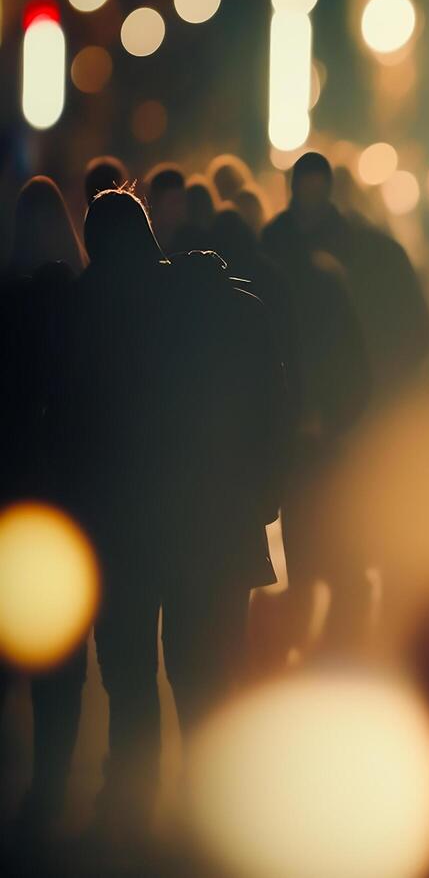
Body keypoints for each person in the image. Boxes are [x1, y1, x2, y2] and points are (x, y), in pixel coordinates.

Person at [55, 187, 288, 834]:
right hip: (209, 523)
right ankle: (206, 796)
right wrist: (263, 492)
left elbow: (70, 423)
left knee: (128, 669)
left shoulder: (86, 311)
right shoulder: (226, 305)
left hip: (118, 523)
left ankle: (129, 796)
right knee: (204, 669)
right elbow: (269, 409)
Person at [255, 154, 373, 665]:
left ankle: (320, 645)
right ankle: (320, 645)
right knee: (312, 541)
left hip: (324, 429)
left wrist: (337, 416)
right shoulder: (299, 256)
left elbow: (356, 358)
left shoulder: (292, 254)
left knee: (328, 540)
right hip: (311, 427)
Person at [1, 178, 86, 833]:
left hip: (14, 490)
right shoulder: (81, 301)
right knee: (61, 651)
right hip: (68, 495)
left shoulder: (10, 299)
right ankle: (52, 781)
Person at [264, 151, 429, 400]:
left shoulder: (276, 242)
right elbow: (419, 331)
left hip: (328, 396)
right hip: (359, 396)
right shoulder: (382, 250)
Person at [145, 165, 189, 253]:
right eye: (173, 201)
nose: (180, 207)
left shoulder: (191, 240)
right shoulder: (142, 241)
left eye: (182, 200)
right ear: (155, 202)